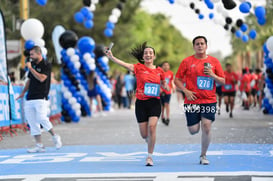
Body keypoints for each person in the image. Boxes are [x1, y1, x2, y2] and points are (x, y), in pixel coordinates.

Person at [105, 42, 169, 166]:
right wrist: (112, 57)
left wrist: (165, 86)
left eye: (151, 53)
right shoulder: (138, 67)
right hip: (141, 104)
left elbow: (164, 83)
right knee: (144, 134)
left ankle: (149, 156)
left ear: (154, 56)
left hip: (155, 102)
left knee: (152, 127)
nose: (148, 55)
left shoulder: (160, 70)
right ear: (143, 56)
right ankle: (148, 140)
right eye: (146, 53)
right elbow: (122, 63)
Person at [174, 36, 225, 165]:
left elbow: (223, 81)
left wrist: (212, 75)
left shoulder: (214, 62)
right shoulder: (187, 62)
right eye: (197, 44)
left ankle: (203, 155)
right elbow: (177, 79)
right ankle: (194, 128)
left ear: (206, 46)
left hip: (209, 100)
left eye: (202, 43)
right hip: (192, 101)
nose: (200, 46)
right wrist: (185, 91)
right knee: (194, 130)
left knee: (206, 126)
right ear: (194, 46)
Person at [16, 46, 62, 153]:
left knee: (41, 118)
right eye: (30, 54)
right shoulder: (32, 64)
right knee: (32, 122)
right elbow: (29, 80)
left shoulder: (46, 64)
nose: (30, 56)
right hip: (30, 97)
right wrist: (23, 92)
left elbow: (42, 78)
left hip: (41, 97)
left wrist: (31, 69)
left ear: (39, 54)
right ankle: (39, 145)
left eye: (32, 54)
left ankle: (55, 136)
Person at [160, 61, 175, 126]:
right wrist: (160, 89)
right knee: (162, 105)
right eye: (164, 65)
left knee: (167, 104)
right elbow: (158, 82)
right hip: (161, 91)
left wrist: (173, 87)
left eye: (167, 65)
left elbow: (171, 81)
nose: (166, 66)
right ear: (162, 66)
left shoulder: (170, 73)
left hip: (168, 91)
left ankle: (168, 117)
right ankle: (162, 116)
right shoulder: (160, 73)